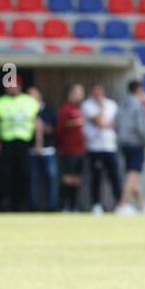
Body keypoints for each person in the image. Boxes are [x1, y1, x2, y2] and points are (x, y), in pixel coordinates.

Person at [0, 81, 41, 211]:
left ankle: (23, 204)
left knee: (24, 173)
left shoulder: (29, 101)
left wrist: (38, 142)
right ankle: (6, 203)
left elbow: (37, 123)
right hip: (7, 142)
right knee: (6, 173)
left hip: (24, 142)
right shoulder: (0, 102)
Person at [81, 83, 121, 213]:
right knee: (96, 177)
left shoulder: (112, 104)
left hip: (110, 147)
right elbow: (100, 122)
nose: (98, 94)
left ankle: (119, 204)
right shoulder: (87, 105)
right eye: (95, 92)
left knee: (114, 176)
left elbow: (115, 123)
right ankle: (96, 204)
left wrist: (105, 122)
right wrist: (101, 109)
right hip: (95, 148)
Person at [115, 80, 145, 214]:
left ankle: (142, 206)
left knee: (132, 175)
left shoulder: (122, 104)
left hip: (123, 143)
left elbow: (116, 122)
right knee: (133, 175)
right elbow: (141, 127)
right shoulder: (138, 104)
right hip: (135, 143)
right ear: (138, 90)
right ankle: (122, 205)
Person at [56, 83, 87, 212]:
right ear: (70, 94)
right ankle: (65, 206)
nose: (81, 95)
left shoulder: (80, 110)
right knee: (67, 178)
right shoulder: (65, 109)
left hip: (80, 150)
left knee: (77, 179)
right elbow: (59, 130)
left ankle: (74, 206)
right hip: (68, 150)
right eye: (78, 92)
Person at [28, 85, 59, 212]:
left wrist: (40, 128)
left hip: (48, 150)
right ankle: (33, 206)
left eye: (33, 95)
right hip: (32, 151)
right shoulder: (26, 111)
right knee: (33, 179)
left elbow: (52, 129)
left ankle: (52, 206)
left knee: (51, 178)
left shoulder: (49, 110)